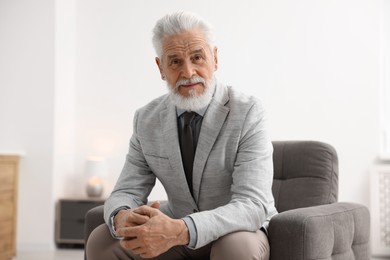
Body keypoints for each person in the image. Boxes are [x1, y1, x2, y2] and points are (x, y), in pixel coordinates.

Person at [86, 11, 277, 260]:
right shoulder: (146, 119)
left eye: (197, 57)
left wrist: (181, 229)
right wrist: (122, 216)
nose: (188, 72)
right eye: (175, 61)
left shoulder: (249, 111)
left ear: (215, 58)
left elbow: (253, 205)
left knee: (234, 248)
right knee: (102, 239)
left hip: (237, 232)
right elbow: (127, 191)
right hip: (174, 230)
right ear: (161, 68)